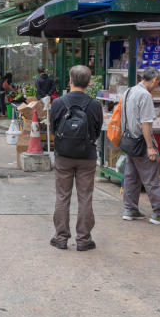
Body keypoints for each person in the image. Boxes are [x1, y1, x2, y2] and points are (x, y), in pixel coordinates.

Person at [50, 65, 102, 251]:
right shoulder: (95, 105)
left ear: (70, 80)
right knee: (85, 197)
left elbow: (52, 129)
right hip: (87, 156)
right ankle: (84, 239)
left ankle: (61, 238)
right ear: (88, 82)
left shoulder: (58, 103)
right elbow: (97, 131)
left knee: (62, 196)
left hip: (63, 155)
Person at [120, 67, 160, 226]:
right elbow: (146, 124)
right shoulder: (145, 95)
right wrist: (150, 147)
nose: (157, 86)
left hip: (129, 141)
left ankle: (130, 209)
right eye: (158, 83)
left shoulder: (129, 91)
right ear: (155, 79)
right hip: (141, 143)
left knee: (131, 176)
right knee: (151, 178)